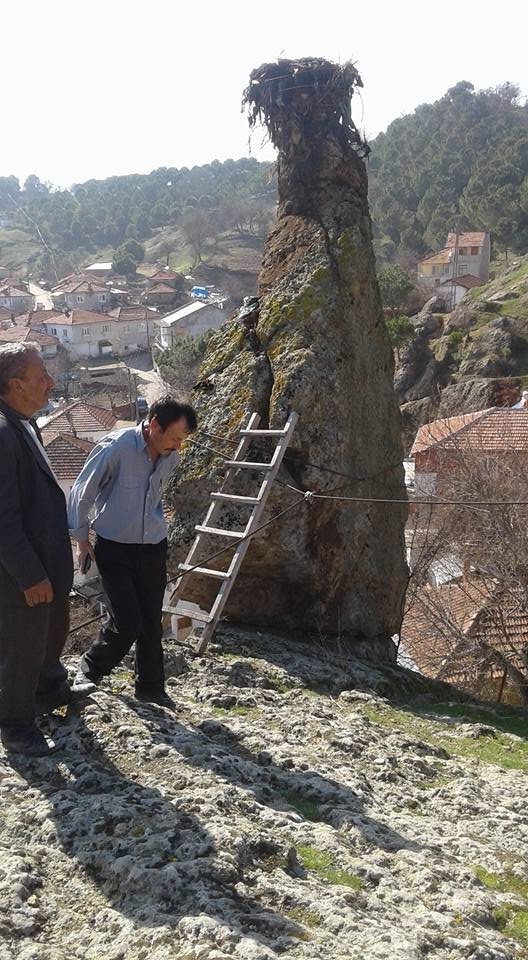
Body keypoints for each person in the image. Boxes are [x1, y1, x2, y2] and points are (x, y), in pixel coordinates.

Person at [69, 396, 197, 706]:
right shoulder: (116, 448)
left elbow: (152, 500)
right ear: (154, 425)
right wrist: (81, 539)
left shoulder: (170, 456)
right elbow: (81, 492)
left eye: (182, 440)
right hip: (114, 549)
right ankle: (90, 670)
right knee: (127, 620)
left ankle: (151, 688)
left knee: (152, 621)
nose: (178, 446)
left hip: (153, 546)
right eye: (175, 437)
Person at [0, 343, 74, 757]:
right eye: (41, 375)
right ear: (15, 385)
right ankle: (15, 726)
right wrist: (29, 574)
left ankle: (50, 689)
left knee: (50, 635)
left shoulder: (27, 423)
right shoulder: (2, 433)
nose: (50, 382)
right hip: (21, 576)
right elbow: (3, 519)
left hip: (50, 564)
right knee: (21, 647)